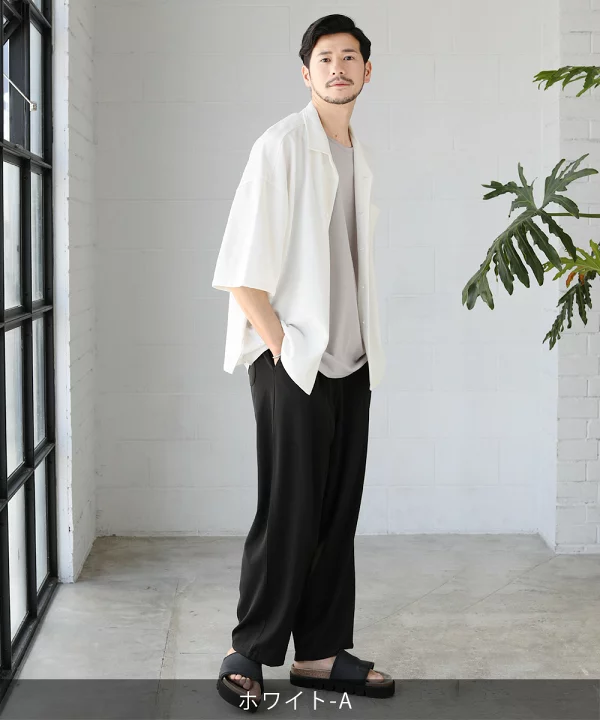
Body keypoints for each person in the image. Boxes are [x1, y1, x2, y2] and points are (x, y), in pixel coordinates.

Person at [212, 13, 394, 711]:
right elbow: (240, 270)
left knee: (336, 513)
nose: (338, 68)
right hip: (295, 361)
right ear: (306, 72)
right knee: (288, 509)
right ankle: (249, 651)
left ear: (367, 71)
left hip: (352, 360)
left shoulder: (357, 156)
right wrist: (284, 348)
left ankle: (319, 653)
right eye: (325, 58)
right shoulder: (283, 145)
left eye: (350, 57)